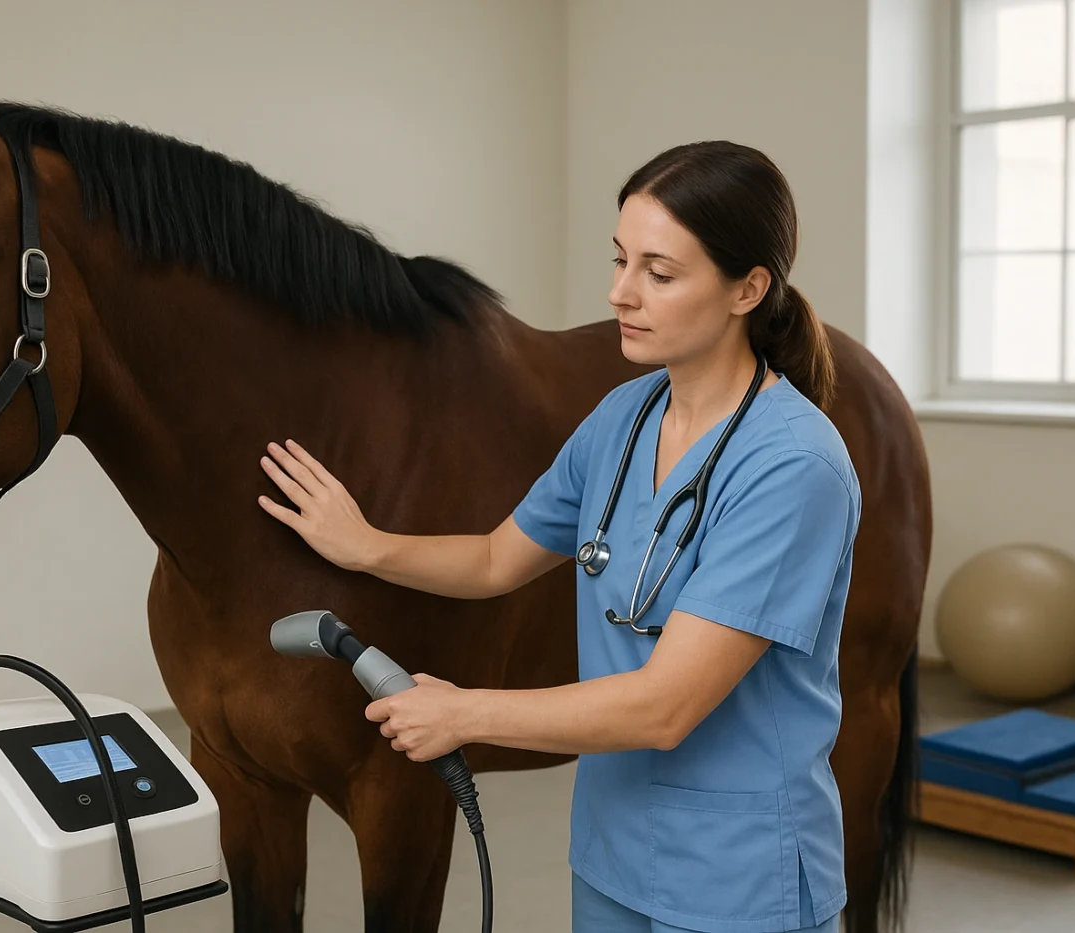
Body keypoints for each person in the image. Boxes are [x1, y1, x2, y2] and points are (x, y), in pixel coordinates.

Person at [256, 140, 859, 933]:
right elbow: (498, 557)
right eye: (620, 260)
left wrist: (464, 713)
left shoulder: (791, 465)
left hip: (739, 878)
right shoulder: (622, 416)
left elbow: (666, 706)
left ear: (748, 288)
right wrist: (365, 543)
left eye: (660, 272)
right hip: (613, 856)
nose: (620, 293)